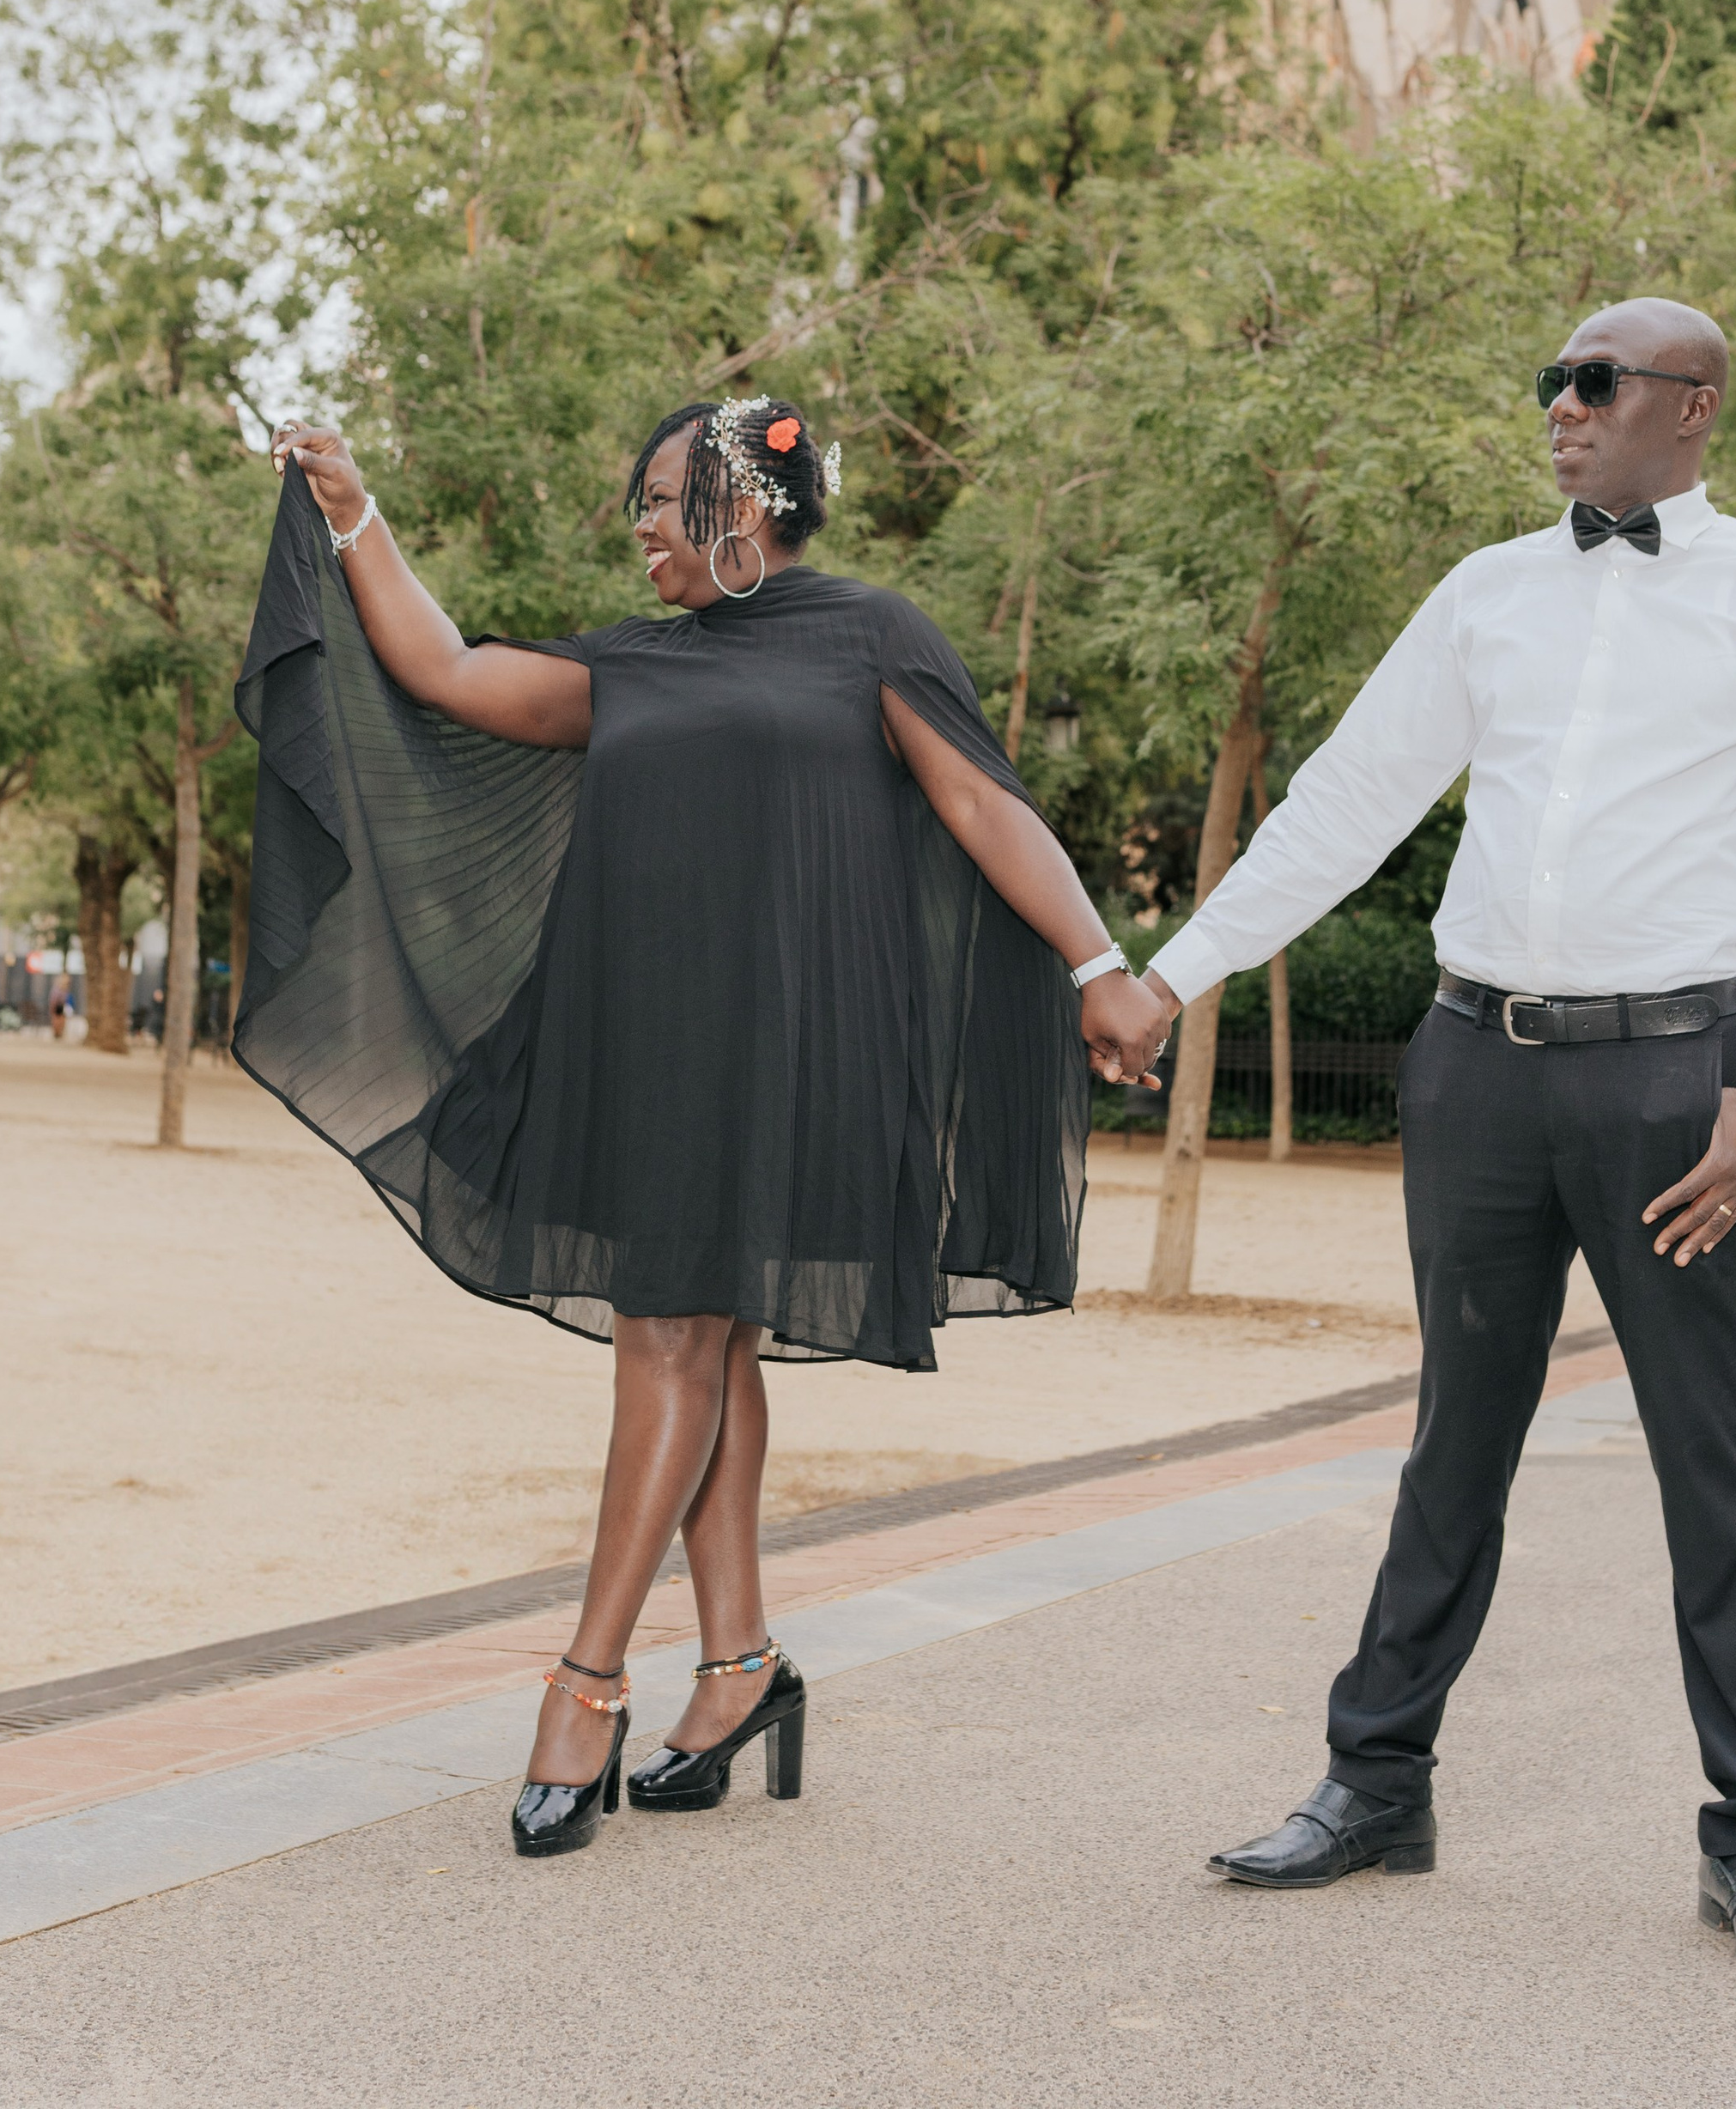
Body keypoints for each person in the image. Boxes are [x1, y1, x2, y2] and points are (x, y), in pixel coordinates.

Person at [246, 398, 1168, 1860]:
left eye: (665, 496)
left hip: (795, 1050)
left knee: (674, 1335)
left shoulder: (871, 635)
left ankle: (587, 1682)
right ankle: (739, 1665)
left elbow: (983, 806)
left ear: (745, 505)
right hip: (650, 1046)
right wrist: (352, 510)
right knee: (701, 1339)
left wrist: (1099, 965)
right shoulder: (633, 661)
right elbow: (447, 671)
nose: (644, 524)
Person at [1146, 299, 1736, 1980]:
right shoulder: (1486, 592)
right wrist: (1173, 975)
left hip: (1673, 1085)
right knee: (1453, 1441)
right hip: (1472, 1067)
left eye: (1594, 382)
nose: (1559, 405)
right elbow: (1345, 802)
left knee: (1708, 1458)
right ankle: (1373, 1782)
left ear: (1689, 407)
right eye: (1551, 381)